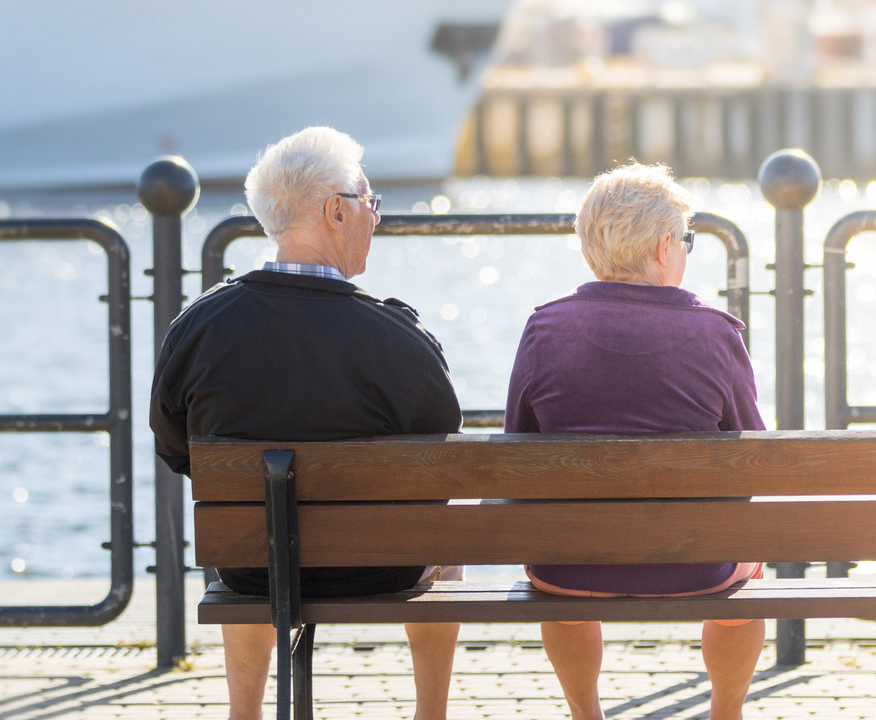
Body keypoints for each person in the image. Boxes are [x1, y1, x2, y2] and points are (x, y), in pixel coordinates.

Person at [150, 126, 463, 720]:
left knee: (248, 527)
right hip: (380, 567)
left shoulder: (199, 328)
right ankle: (431, 714)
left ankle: (245, 712)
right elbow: (441, 463)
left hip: (252, 569)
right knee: (443, 539)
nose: (376, 216)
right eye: (369, 202)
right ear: (333, 212)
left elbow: (174, 447)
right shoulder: (398, 338)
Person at [504, 162, 766, 720]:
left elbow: (515, 447)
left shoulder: (544, 329)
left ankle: (586, 714)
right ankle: (726, 713)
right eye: (687, 240)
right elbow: (752, 458)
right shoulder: (716, 332)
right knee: (750, 573)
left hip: (568, 568)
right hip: (700, 566)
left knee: (562, 566)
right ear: (665, 246)